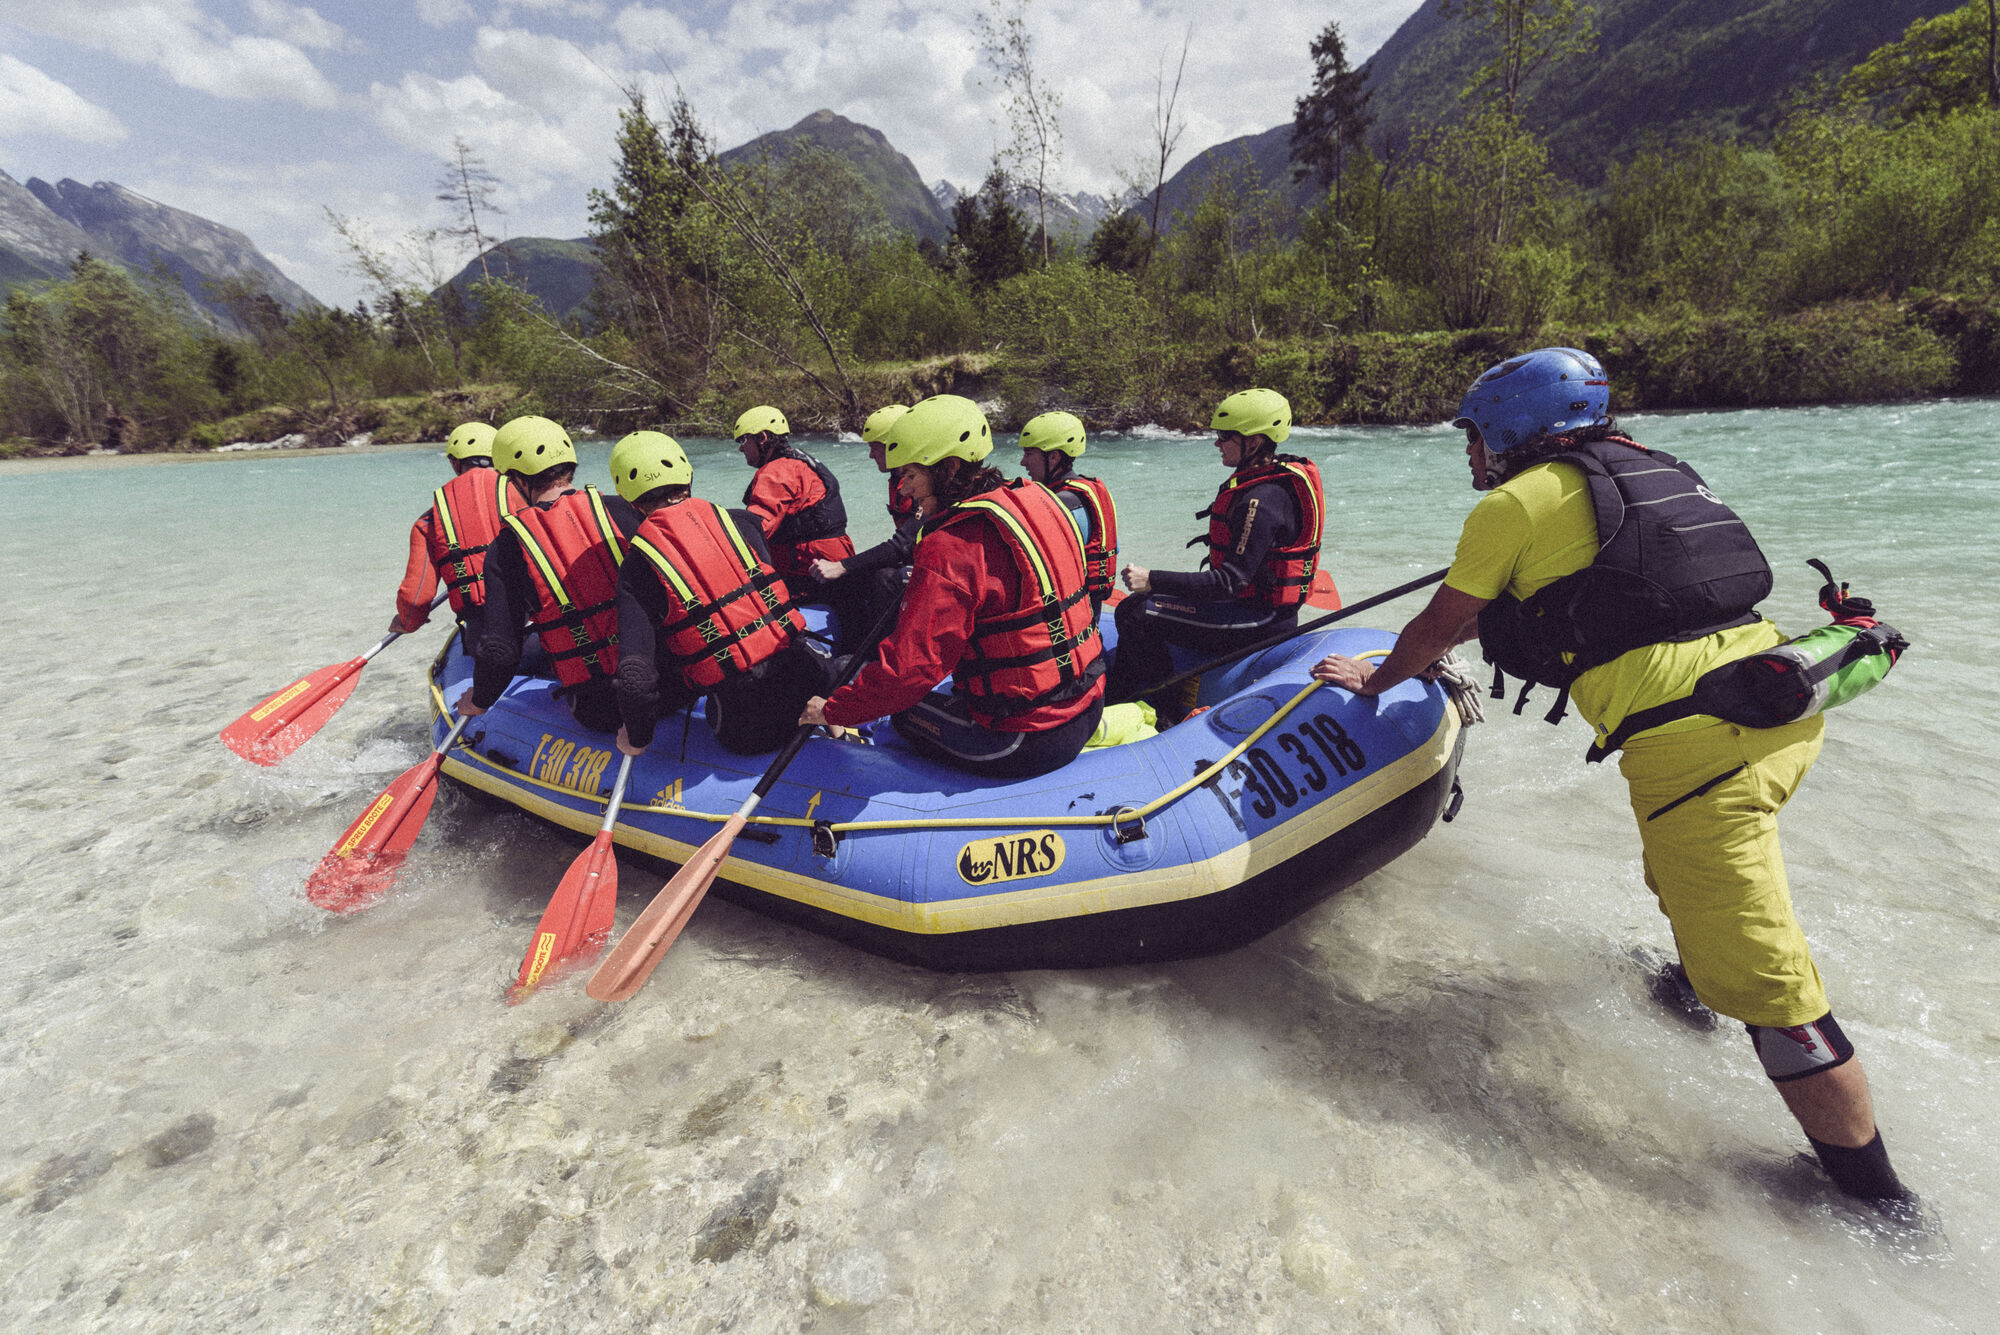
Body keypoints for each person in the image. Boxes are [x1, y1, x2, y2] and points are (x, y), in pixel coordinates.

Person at [1310, 347, 1915, 1210]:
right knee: (1681, 874)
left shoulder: (1513, 504)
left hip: (1699, 745)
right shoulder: (1654, 469)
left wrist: (1374, 681)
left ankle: (1874, 1198)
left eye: (1475, 434)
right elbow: (1594, 594)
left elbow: (1440, 627)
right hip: (1774, 702)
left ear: (1514, 428)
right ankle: (1690, 986)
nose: (1469, 451)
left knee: (1771, 985)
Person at [798, 394, 1105, 778]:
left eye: (911, 475)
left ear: (950, 468)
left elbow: (907, 676)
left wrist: (833, 709)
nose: (904, 490)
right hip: (1089, 701)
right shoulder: (1040, 498)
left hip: (1026, 738)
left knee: (902, 714)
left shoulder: (951, 545)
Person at [1107, 388, 1324, 721]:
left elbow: (1228, 583)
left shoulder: (1261, 501)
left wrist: (1151, 579)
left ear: (1254, 442)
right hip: (1248, 607)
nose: (1217, 443)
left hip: (1260, 622)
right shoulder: (1265, 481)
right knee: (1141, 604)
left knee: (1135, 611)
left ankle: (1164, 715)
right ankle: (1119, 695)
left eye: (1225, 436)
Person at [606, 431, 827, 757]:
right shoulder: (745, 522)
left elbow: (636, 680)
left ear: (627, 499)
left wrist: (636, 739)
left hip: (752, 729)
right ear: (688, 476)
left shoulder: (638, 564)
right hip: (813, 687)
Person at [455, 416, 641, 735]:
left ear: (517, 478)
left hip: (602, 709)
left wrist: (479, 700)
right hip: (668, 690)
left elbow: (501, 650)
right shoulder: (625, 510)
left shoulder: (508, 546)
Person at [389, 421, 520, 649]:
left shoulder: (429, 521)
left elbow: (416, 599)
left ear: (454, 462)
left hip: (486, 636)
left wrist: (406, 622)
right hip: (541, 622)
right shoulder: (527, 493)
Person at [812, 403, 918, 658]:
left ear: (895, 445)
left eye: (875, 447)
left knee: (884, 578)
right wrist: (845, 569)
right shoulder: (899, 478)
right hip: (914, 560)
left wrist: (843, 565)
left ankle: (881, 657)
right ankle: (851, 654)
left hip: (933, 568)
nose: (871, 455)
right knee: (846, 579)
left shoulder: (923, 482)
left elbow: (903, 544)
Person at [733, 404, 855, 584]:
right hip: (832, 559)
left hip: (809, 572)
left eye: (743, 440)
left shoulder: (777, 471)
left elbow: (755, 531)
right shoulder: (798, 462)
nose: (741, 449)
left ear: (762, 438)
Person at [1018, 411, 1119, 622]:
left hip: (1069, 621)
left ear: (1053, 457)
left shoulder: (1059, 504)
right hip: (1091, 613)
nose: (1023, 462)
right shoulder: (1091, 491)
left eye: (1029, 454)